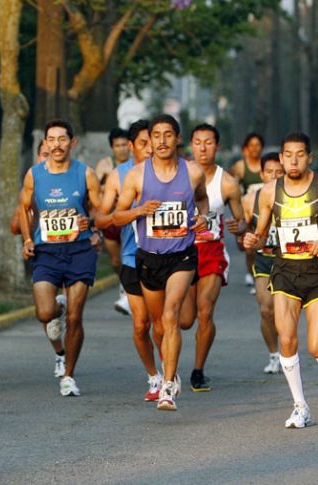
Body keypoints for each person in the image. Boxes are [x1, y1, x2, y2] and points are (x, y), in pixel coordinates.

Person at [243, 131, 318, 428]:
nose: (293, 160)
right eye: (287, 154)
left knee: (317, 349)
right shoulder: (269, 192)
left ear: (309, 157)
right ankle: (300, 405)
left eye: (299, 154)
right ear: (281, 158)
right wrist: (253, 241)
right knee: (287, 337)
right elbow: (260, 235)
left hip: (317, 272)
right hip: (284, 270)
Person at [112, 114, 209, 411]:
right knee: (157, 326)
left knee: (171, 315)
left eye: (168, 134)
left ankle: (167, 387)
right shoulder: (136, 175)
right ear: (150, 140)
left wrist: (203, 216)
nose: (162, 141)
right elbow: (117, 216)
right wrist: (139, 210)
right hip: (149, 257)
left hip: (182, 255)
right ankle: (170, 371)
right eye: (157, 135)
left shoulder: (192, 172)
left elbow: (202, 200)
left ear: (177, 139)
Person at [18, 119, 102, 396]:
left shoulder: (85, 174)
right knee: (44, 312)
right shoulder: (34, 174)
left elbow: (100, 212)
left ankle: (68, 375)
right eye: (51, 139)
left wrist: (90, 225)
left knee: (76, 318)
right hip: (47, 251)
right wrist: (28, 239)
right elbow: (24, 207)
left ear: (72, 143)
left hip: (79, 250)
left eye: (62, 139)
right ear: (45, 144)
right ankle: (58, 308)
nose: (56, 144)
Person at [95, 119, 164, 401]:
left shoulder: (171, 171)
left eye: (154, 142)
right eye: (144, 144)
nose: (151, 149)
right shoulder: (118, 175)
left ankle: (169, 372)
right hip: (132, 256)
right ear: (132, 146)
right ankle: (154, 376)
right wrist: (134, 212)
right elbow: (100, 217)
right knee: (140, 325)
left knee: (162, 323)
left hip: (164, 255)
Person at [178, 123, 246, 392]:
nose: (203, 148)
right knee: (184, 320)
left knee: (205, 311)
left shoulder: (227, 183)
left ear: (217, 146)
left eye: (208, 142)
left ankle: (198, 370)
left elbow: (242, 222)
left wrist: (238, 227)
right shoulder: (179, 175)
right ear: (191, 145)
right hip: (182, 252)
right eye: (197, 142)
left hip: (212, 253)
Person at [242, 152, 285, 373]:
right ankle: (274, 355)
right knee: (266, 310)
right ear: (261, 174)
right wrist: (242, 232)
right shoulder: (252, 199)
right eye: (269, 172)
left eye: (279, 172)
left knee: (285, 312)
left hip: (289, 261)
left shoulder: (295, 196)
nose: (274, 176)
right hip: (264, 260)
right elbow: (244, 230)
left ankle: (289, 353)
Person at [95, 128, 132, 315]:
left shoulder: (136, 167)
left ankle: (127, 291)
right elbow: (95, 193)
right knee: (117, 261)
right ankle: (124, 283)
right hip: (110, 221)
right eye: (118, 145)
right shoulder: (104, 166)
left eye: (125, 145)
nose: (122, 149)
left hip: (130, 220)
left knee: (129, 257)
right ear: (112, 147)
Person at [230, 133, 265, 291]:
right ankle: (252, 275)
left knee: (265, 245)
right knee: (250, 249)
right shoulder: (240, 166)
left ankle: (264, 275)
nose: (254, 149)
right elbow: (231, 187)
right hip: (248, 211)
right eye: (251, 145)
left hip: (265, 210)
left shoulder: (267, 165)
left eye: (257, 145)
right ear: (246, 148)